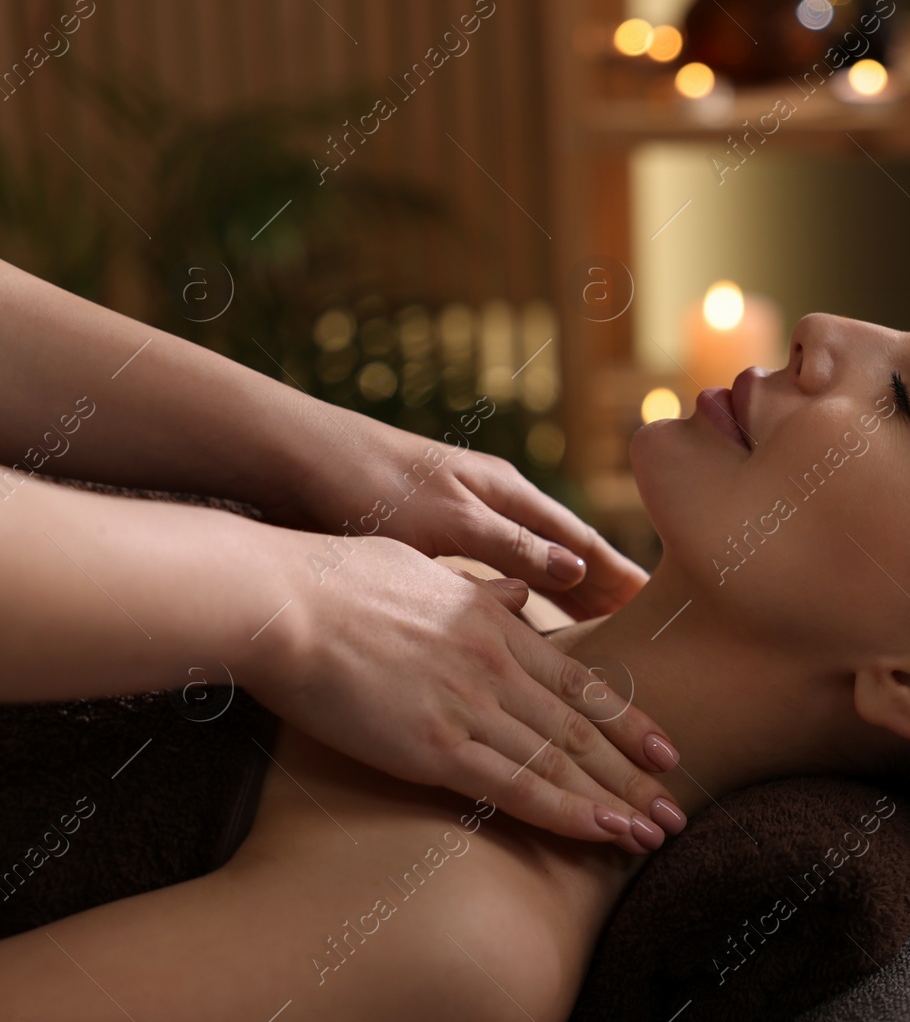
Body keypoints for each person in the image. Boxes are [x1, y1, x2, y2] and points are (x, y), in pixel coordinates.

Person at [0, 305, 910, 1020]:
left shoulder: (456, 933)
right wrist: (313, 461)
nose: (832, 327)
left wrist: (285, 593)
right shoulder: (423, 561)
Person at [0, 258, 684, 854]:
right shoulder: (451, 608)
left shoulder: (467, 920)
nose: (798, 333)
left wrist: (303, 584)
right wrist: (312, 471)